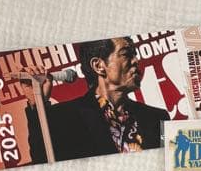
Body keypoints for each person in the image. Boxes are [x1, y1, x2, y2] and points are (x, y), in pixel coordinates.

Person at [24, 36, 170, 162]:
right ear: (99, 66)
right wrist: (37, 103)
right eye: (126, 54)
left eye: (135, 54)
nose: (136, 61)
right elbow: (43, 163)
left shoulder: (157, 117)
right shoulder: (64, 117)